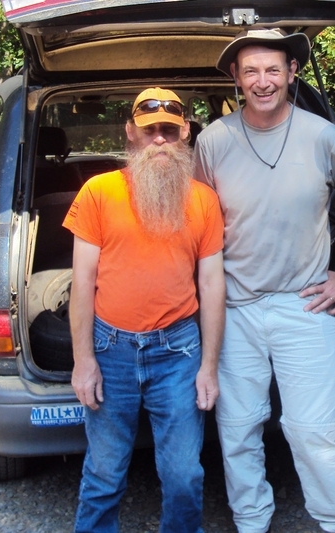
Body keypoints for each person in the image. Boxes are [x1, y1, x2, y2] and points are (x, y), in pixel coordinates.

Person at [194, 28, 335, 533]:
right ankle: (251, 521)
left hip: (304, 305)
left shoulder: (325, 137)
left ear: (292, 73)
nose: (263, 81)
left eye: (274, 69)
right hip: (234, 311)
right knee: (237, 429)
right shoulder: (213, 140)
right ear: (236, 78)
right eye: (251, 71)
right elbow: (199, 222)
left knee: (314, 432)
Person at [64, 87, 225, 533]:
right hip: (110, 347)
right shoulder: (99, 192)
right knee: (103, 473)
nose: (159, 140)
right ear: (131, 132)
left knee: (184, 475)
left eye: (169, 132)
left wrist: (209, 366)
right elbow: (82, 284)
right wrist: (84, 361)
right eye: (150, 130)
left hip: (177, 352)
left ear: (185, 134)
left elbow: (212, 284)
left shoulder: (202, 200)